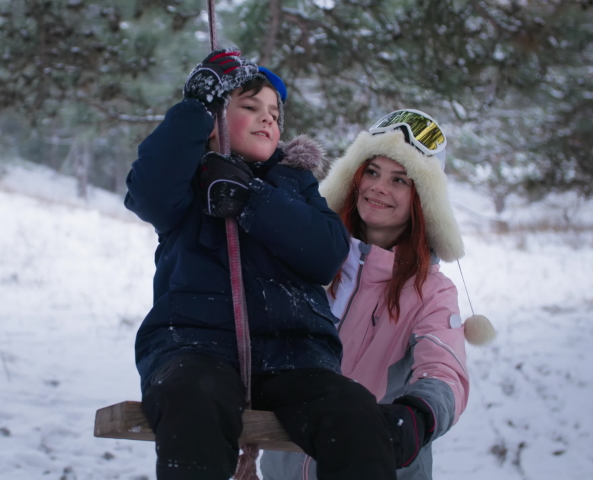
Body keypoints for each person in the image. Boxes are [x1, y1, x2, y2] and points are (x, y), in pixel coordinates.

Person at [124, 50, 398, 480]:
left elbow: (327, 254)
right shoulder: (185, 183)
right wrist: (195, 108)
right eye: (249, 107)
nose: (267, 119)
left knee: (355, 412)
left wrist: (254, 199)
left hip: (296, 356)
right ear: (213, 126)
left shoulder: (296, 185)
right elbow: (148, 192)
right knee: (194, 395)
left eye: (274, 113)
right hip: (195, 348)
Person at [260, 109, 496, 480]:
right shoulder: (311, 259)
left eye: (400, 180)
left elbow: (444, 371)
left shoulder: (431, 292)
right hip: (283, 467)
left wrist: (417, 416)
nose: (378, 187)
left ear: (423, 198)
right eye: (372, 172)